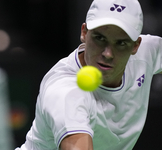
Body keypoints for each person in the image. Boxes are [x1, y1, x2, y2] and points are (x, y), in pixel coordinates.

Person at [15, 0, 162, 149]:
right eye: (100, 38)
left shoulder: (147, 53)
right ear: (84, 33)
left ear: (136, 45)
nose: (108, 54)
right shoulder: (66, 92)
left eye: (121, 43)